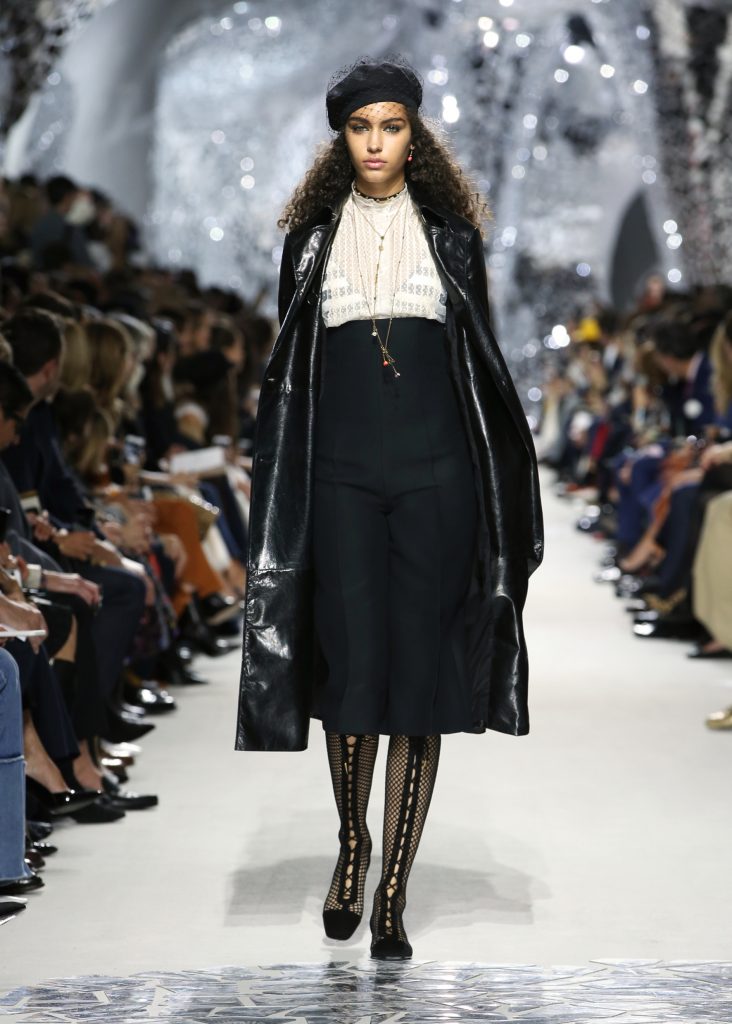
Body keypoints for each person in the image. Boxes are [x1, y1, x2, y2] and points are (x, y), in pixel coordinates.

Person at [234, 56, 544, 960]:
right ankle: (353, 846)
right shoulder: (309, 240)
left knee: (422, 681)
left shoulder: (453, 238)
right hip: (337, 478)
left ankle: (395, 889)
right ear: (342, 137)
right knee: (352, 674)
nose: (376, 143)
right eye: (362, 127)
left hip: (438, 479)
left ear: (415, 136)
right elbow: (292, 380)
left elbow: (479, 371)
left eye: (392, 126)